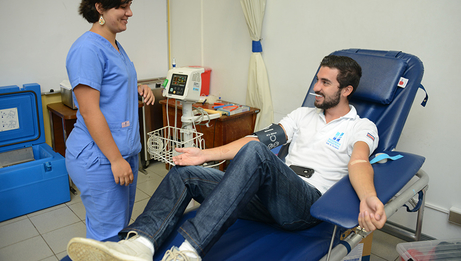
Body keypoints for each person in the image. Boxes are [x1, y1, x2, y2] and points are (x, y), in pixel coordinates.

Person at [66, 55, 386, 261]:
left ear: (346, 90)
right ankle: (141, 247)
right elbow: (257, 139)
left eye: (325, 83)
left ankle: (189, 252)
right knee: (184, 173)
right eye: (316, 79)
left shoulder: (362, 126)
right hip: (269, 197)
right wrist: (202, 155)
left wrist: (368, 197)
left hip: (305, 204)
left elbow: (358, 162)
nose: (315, 87)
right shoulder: (303, 115)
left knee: (257, 155)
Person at [65, 0, 155, 241]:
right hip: (100, 157)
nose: (129, 13)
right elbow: (90, 110)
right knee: (108, 234)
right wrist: (115, 160)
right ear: (99, 8)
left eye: (129, 5)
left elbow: (112, 85)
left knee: (118, 226)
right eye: (122, 7)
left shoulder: (114, 43)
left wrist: (138, 88)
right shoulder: (87, 50)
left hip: (121, 152)